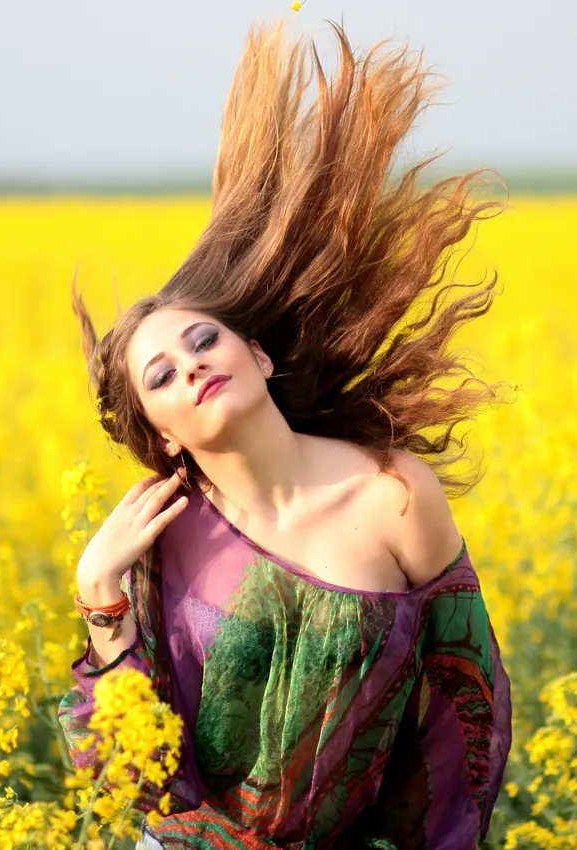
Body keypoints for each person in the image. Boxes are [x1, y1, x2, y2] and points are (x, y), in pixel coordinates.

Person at [59, 18, 513, 850]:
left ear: (258, 354)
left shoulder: (393, 492)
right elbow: (133, 778)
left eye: (204, 340)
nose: (191, 365)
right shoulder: (164, 539)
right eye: (160, 377)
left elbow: (463, 705)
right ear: (160, 436)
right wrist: (100, 593)